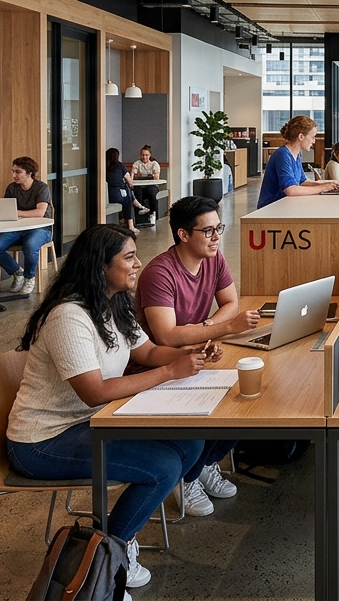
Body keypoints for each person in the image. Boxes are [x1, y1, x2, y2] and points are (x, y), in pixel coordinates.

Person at [5, 223, 216, 591]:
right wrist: (170, 371)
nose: (138, 264)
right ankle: (108, 556)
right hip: (42, 442)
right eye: (129, 257)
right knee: (163, 466)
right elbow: (95, 391)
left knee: (191, 442)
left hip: (93, 423)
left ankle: (115, 543)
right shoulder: (68, 316)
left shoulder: (114, 302)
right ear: (101, 266)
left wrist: (189, 353)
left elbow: (147, 352)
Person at [137, 197, 259, 517]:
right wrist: (224, 328)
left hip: (193, 357)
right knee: (221, 406)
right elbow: (166, 335)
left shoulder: (213, 259)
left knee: (246, 401)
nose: (217, 237)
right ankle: (188, 477)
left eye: (219, 228)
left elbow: (231, 301)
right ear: (183, 234)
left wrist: (207, 329)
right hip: (156, 366)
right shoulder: (159, 273)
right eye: (208, 231)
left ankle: (203, 464)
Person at [0, 156, 52, 295]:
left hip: (40, 229)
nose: (14, 175)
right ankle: (17, 272)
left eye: (18, 172)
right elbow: (6, 209)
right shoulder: (12, 188)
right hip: (17, 228)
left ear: (29, 173)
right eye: (13, 171)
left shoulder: (41, 187)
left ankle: (29, 277)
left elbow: (40, 212)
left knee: (30, 245)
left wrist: (17, 212)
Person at [258, 115, 339, 208]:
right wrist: (322, 188)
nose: (314, 141)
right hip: (271, 209)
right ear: (301, 136)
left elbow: (302, 181)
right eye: (313, 137)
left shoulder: (297, 155)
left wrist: (326, 184)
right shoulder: (282, 155)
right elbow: (290, 190)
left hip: (285, 205)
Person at [105, 148, 140, 235]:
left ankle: (123, 219)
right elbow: (129, 181)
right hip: (118, 193)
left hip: (106, 194)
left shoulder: (103, 166)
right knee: (128, 201)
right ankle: (131, 225)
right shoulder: (120, 166)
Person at [132, 145, 162, 222]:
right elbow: (132, 175)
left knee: (151, 192)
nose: (144, 157)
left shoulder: (154, 164)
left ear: (150, 155)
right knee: (137, 192)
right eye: (143, 155)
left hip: (151, 186)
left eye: (146, 155)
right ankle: (140, 215)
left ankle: (153, 213)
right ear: (140, 155)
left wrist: (141, 175)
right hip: (140, 187)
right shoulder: (137, 163)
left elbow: (156, 177)